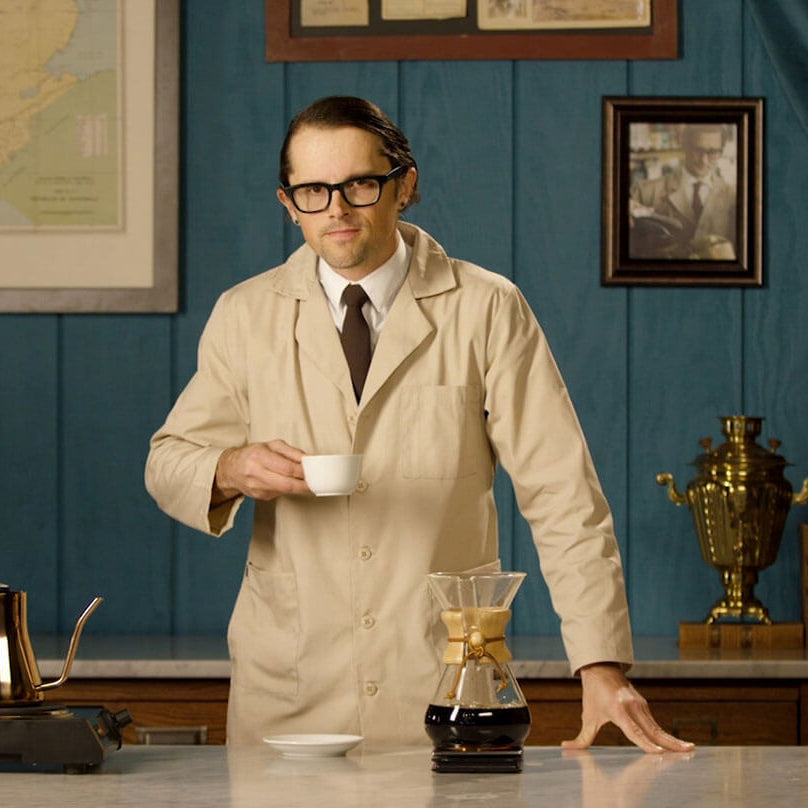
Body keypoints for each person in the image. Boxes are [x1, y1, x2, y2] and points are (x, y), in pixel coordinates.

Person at [145, 96, 694, 754]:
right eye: (314, 192)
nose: (337, 211)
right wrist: (229, 468)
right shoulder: (245, 314)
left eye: (359, 185)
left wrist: (601, 668)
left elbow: (563, 494)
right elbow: (168, 461)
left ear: (405, 185)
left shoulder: (487, 308)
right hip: (287, 694)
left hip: (446, 687)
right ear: (288, 203)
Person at [629, 123, 737, 260]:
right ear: (684, 145)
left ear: (721, 151)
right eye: (698, 150)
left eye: (712, 152)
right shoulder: (645, 191)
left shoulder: (734, 197)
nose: (703, 160)